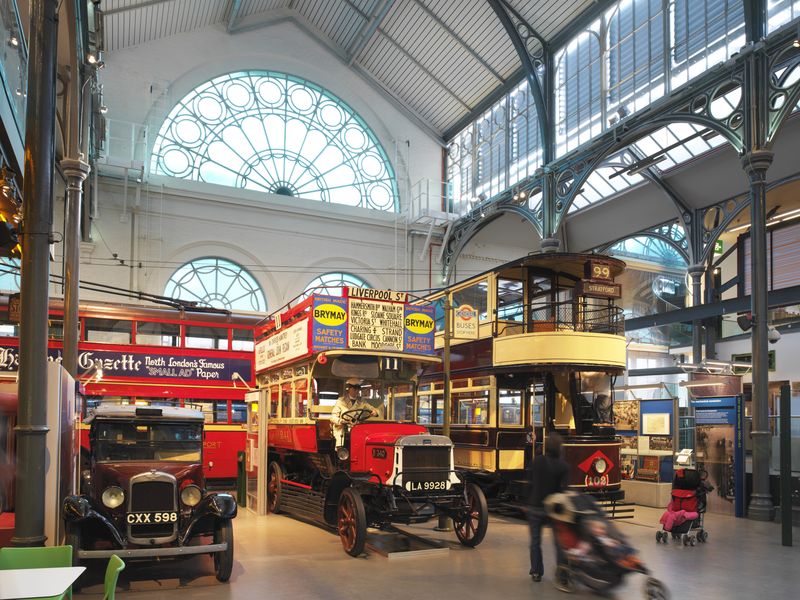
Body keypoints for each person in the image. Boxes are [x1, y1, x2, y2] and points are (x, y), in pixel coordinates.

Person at [528, 431, 568, 583]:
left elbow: (530, 483)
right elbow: (563, 490)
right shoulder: (563, 466)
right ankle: (563, 574)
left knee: (535, 542)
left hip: (535, 506)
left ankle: (536, 572)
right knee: (559, 542)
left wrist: (527, 502)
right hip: (554, 509)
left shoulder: (536, 461)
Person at [331, 378, 378, 448]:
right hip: (343, 428)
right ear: (349, 389)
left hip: (357, 427)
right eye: (354, 389)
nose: (356, 391)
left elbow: (373, 409)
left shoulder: (362, 401)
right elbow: (333, 417)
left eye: (358, 389)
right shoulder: (341, 401)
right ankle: (340, 451)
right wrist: (341, 421)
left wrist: (375, 412)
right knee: (340, 438)